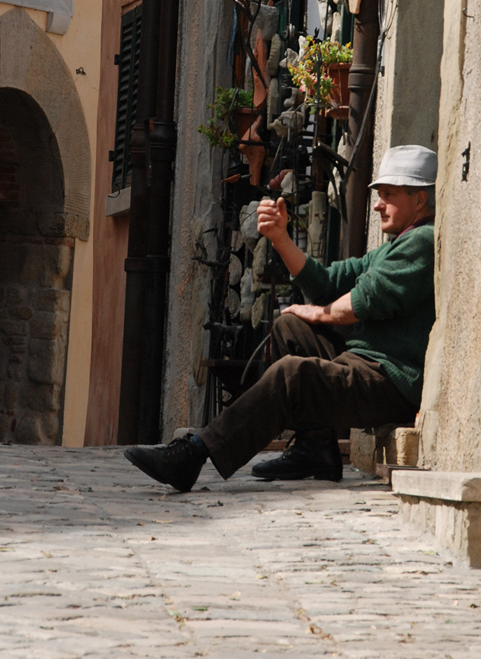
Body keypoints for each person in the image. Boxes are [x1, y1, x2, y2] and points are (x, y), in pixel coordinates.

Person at [124, 144, 437, 493]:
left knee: (294, 374)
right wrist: (280, 237)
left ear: (420, 200)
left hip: (390, 381)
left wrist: (318, 312)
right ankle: (315, 449)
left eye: (388, 195)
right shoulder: (395, 245)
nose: (378, 203)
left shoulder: (422, 242)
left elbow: (360, 302)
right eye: (379, 195)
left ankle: (195, 454)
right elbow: (328, 283)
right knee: (291, 325)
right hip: (366, 365)